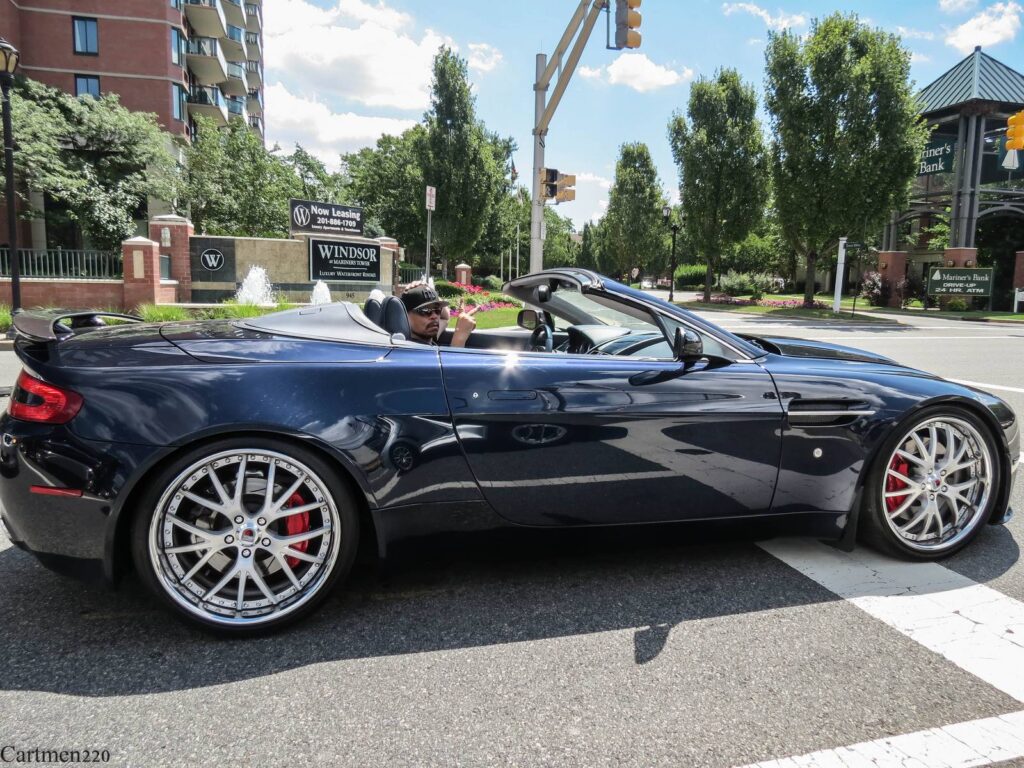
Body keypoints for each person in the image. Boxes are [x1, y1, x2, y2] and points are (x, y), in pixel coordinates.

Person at [400, 283, 477, 347]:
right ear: (405, 316)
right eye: (426, 311)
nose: (434, 316)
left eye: (437, 310)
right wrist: (460, 337)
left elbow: (445, 317)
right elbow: (451, 365)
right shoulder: (407, 348)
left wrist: (427, 289)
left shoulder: (427, 336)